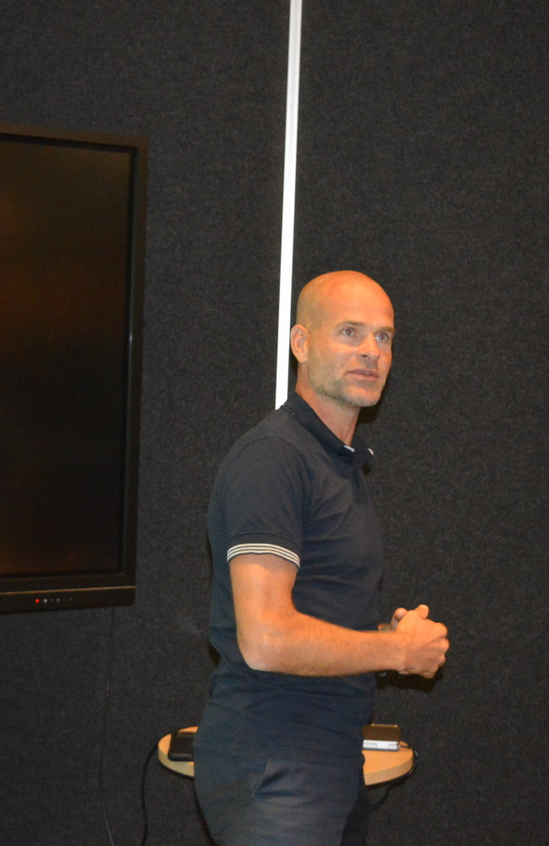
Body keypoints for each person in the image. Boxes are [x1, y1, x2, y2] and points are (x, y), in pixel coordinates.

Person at [193, 270, 449, 846]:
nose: (371, 351)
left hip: (325, 758)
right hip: (275, 762)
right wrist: (397, 651)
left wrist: (389, 637)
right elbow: (267, 639)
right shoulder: (273, 459)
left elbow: (310, 619)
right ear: (301, 343)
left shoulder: (333, 461)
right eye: (350, 332)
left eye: (383, 337)